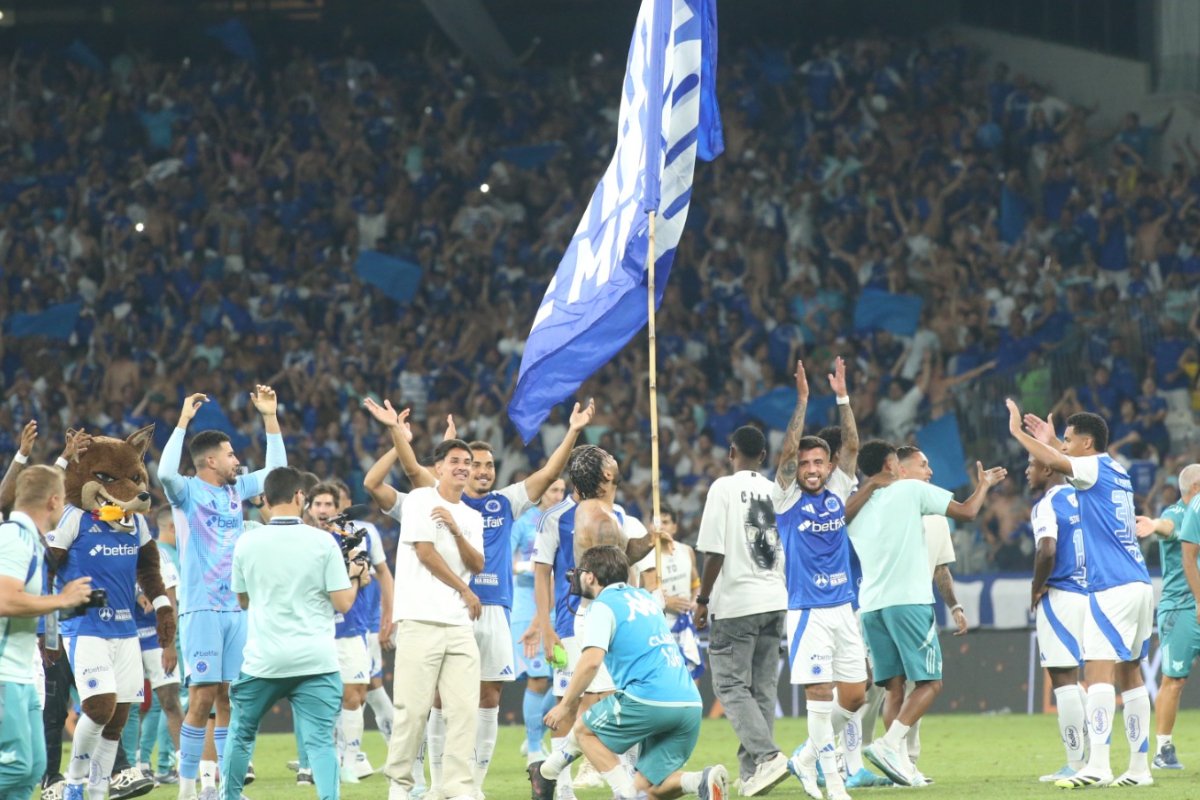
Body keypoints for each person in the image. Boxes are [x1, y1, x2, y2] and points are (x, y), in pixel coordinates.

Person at [366, 396, 594, 797]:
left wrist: (573, 431)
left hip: (492, 610)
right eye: (474, 464)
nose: (483, 471)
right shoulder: (430, 498)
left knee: (489, 697)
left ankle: (472, 784)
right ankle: (429, 784)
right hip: (447, 611)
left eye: (487, 465)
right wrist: (400, 436)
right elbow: (413, 468)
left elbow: (549, 472)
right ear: (455, 469)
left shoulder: (503, 503)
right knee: (435, 701)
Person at [1005, 403, 1153, 788]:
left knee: (1098, 674)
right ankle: (1139, 769)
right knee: (1131, 675)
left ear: (1087, 444)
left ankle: (1098, 766)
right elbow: (1066, 460)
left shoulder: (1087, 469)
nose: (1064, 447)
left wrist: (1019, 435)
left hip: (1112, 586)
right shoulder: (1116, 469)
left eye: (1069, 441)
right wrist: (1051, 440)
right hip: (1139, 582)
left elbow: (1061, 463)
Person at [844, 440, 1005, 787]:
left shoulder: (855, 510)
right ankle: (888, 746)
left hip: (872, 607)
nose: (928, 471)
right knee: (931, 682)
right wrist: (984, 486)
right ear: (893, 465)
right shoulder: (911, 491)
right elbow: (967, 512)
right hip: (909, 602)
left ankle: (899, 764)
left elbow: (844, 517)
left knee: (894, 690)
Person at [157, 387, 286, 800]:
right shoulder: (188, 492)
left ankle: (223, 789)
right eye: (231, 455)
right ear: (210, 461)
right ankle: (188, 788)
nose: (238, 461)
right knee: (201, 698)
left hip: (236, 608)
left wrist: (270, 418)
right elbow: (163, 474)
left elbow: (278, 476)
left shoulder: (235, 490)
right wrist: (182, 421)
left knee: (232, 697)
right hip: (202, 608)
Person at [218, 466, 369, 800]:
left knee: (241, 734)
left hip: (263, 660)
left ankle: (228, 797)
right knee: (319, 742)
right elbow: (344, 603)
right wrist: (356, 574)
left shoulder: (247, 542)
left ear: (267, 501)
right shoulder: (323, 542)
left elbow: (242, 600)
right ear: (301, 497)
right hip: (316, 659)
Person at [539, 545, 728, 800]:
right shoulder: (645, 598)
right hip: (689, 703)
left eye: (580, 572)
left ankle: (622, 793)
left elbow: (591, 662)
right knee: (646, 788)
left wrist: (565, 706)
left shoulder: (602, 605)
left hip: (649, 697)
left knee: (585, 730)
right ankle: (699, 781)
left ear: (590, 576)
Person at [47, 427, 175, 800]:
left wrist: (164, 605)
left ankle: (99, 789)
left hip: (126, 630)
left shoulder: (134, 521)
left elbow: (149, 569)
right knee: (99, 707)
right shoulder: (74, 517)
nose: (128, 488)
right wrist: (47, 627)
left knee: (118, 719)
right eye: (108, 478)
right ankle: (74, 782)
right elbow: (47, 569)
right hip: (84, 626)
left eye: (134, 478)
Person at [526, 445, 655, 800]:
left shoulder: (617, 515)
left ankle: (551, 773)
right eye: (609, 459)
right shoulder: (559, 517)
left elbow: (619, 561)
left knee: (611, 699)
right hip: (574, 618)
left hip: (613, 617)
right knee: (576, 700)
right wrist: (545, 625)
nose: (616, 458)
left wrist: (649, 539)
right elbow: (542, 573)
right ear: (606, 475)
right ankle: (564, 786)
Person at [383, 438, 485, 800]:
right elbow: (425, 553)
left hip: (459, 626)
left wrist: (456, 530)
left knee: (463, 712)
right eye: (454, 460)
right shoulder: (420, 501)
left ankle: (456, 789)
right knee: (412, 710)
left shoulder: (472, 516)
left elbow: (478, 564)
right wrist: (466, 591)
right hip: (420, 619)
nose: (463, 466)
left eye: (468, 462)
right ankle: (401, 784)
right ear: (438, 467)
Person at [694, 419, 788, 797]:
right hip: (774, 599)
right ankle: (752, 773)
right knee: (761, 689)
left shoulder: (723, 487)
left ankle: (766, 757)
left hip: (737, 603)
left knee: (730, 684)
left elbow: (714, 550)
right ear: (763, 457)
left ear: (731, 453)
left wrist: (703, 599)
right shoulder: (775, 491)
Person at [772, 430, 866, 800]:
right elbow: (786, 453)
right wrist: (804, 400)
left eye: (818, 463)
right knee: (821, 694)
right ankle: (835, 782)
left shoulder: (839, 491)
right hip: (808, 611)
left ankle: (806, 758)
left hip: (844, 606)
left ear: (830, 466)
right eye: (805, 463)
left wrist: (842, 397)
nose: (811, 469)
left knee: (856, 695)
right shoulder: (785, 499)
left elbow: (854, 446)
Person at [0, 467, 93, 800]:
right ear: (54, 501)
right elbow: (5, 599)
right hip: (4, 673)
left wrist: (62, 603)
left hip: (24, 672)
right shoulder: (13, 537)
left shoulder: (34, 543)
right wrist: (61, 599)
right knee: (16, 767)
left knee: (34, 768)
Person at [307, 482, 385, 783]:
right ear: (309, 508)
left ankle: (349, 762)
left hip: (352, 625)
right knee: (321, 698)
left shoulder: (352, 539)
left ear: (337, 508)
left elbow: (366, 578)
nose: (324, 510)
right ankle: (320, 762)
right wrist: (350, 574)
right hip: (318, 629)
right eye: (318, 504)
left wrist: (357, 573)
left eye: (329, 504)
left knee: (355, 694)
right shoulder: (306, 540)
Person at [1133, 463, 1200, 771]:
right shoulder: (1178, 513)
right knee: (1174, 679)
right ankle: (1163, 749)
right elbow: (1166, 526)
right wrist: (1153, 524)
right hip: (1181, 608)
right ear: (1195, 488)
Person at [1025, 453, 1087, 782]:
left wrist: (1037, 587)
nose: (1026, 471)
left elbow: (1046, 549)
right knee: (1077, 678)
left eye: (1031, 465)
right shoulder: (1083, 498)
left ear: (1047, 469)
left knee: (1062, 680)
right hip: (1089, 593)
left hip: (1060, 595)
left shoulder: (1045, 505)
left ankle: (1076, 763)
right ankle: (1094, 755)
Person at [512, 479, 567, 766]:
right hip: (526, 604)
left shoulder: (566, 522)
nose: (559, 496)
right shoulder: (523, 523)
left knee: (563, 679)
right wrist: (532, 567)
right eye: (553, 490)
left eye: (562, 491)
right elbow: (504, 563)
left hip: (559, 606)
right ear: (540, 492)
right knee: (537, 678)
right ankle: (534, 747)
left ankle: (536, 734)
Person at [634, 508, 702, 680]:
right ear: (649, 526)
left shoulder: (686, 551)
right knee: (666, 678)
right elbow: (639, 593)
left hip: (685, 623)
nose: (661, 526)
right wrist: (666, 601)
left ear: (674, 527)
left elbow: (696, 584)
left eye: (665, 522)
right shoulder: (646, 557)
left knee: (692, 674)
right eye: (656, 522)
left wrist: (694, 601)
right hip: (661, 627)